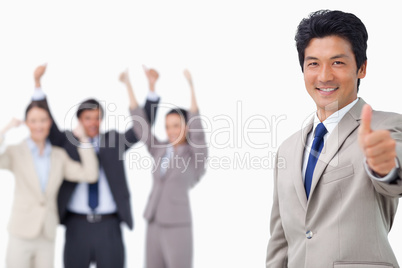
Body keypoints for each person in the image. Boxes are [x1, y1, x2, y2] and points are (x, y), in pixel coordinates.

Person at [266, 10, 402, 268]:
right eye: (313, 63)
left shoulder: (385, 127)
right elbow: (280, 240)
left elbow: (396, 168)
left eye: (338, 63)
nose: (324, 76)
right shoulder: (287, 149)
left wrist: (386, 166)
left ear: (361, 68)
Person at [32, 64, 160, 268]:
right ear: (79, 120)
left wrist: (151, 91)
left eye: (97, 118)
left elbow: (141, 129)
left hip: (109, 226)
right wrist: (38, 85)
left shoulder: (113, 141)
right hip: (76, 225)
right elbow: (48, 124)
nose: (93, 122)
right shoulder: (68, 141)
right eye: (88, 118)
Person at [121, 67, 208, 268]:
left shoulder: (195, 156)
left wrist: (191, 87)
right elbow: (141, 126)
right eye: (168, 126)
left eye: (176, 125)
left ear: (186, 127)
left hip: (177, 225)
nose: (170, 131)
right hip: (153, 221)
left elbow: (197, 130)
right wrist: (130, 84)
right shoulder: (159, 148)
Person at [0, 102, 98, 268]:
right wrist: (5, 129)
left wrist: (83, 139)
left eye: (43, 120)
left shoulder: (59, 156)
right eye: (33, 120)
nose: (39, 125)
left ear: (49, 123)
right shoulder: (15, 152)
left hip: (47, 234)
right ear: (26, 123)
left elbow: (90, 174)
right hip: (21, 232)